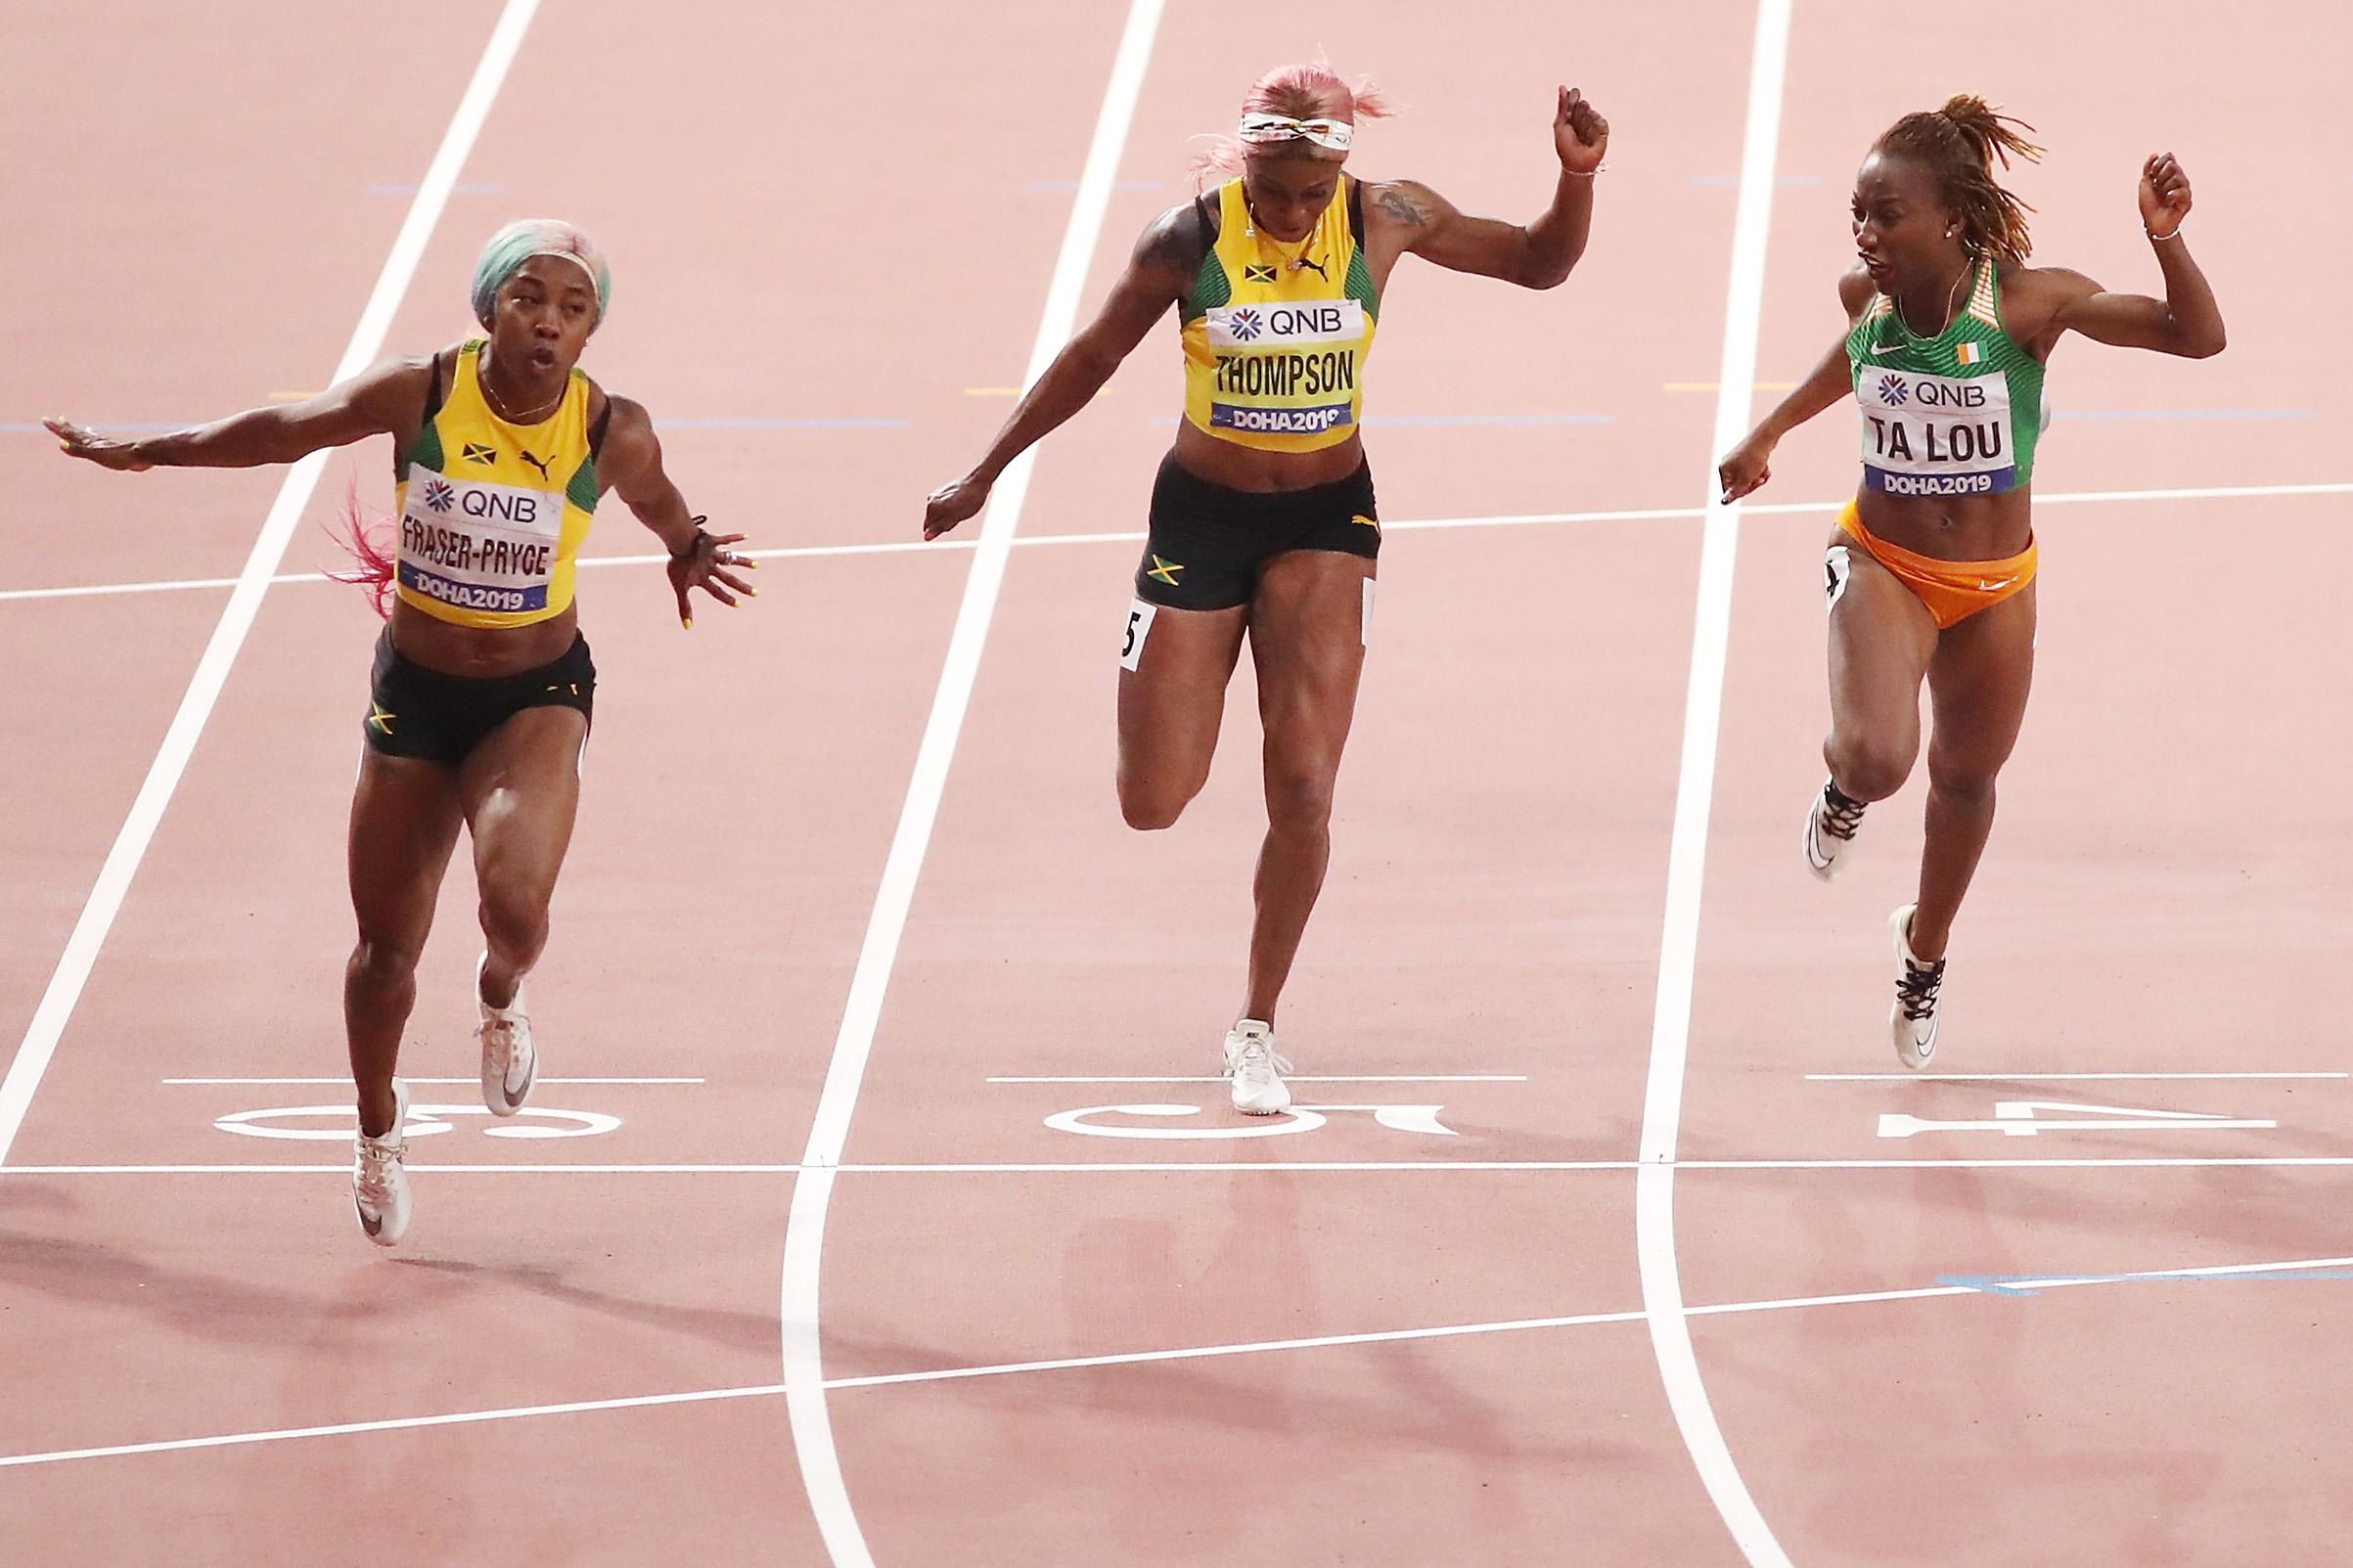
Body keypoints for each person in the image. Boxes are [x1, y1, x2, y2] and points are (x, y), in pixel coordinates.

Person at [47, 218, 756, 1242]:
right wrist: (150, 451)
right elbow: (284, 428)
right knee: (384, 951)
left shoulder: (610, 431)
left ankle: (501, 993)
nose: (548, 321)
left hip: (534, 696)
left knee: (513, 911)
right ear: (487, 307)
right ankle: (379, 1128)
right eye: (527, 297)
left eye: (572, 307)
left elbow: (657, 501)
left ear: (592, 331)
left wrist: (686, 547)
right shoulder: (418, 392)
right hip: (415, 700)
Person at [924, 65, 1609, 1113]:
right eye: (1272, 189)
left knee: (1302, 784)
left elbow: (1537, 265)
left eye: (1306, 191)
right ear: (1245, 164)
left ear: (1342, 165)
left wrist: (1576, 178)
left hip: (1325, 523)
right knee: (1151, 802)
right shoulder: (1185, 242)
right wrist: (984, 470)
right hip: (1198, 521)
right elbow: (1091, 356)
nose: (1289, 213)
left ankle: (1256, 1024)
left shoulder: (1388, 218)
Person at [1717, 99, 2223, 1067]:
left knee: (1965, 779)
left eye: (1884, 215)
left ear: (1948, 216)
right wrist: (1769, 429)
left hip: (1994, 583)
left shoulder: (2028, 306)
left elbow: (2194, 337)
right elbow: (1857, 351)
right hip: (1886, 561)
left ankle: (1922, 951)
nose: (1864, 234)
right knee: (1876, 760)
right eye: (1855, 215)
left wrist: (2166, 240)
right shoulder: (1859, 294)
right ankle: (1842, 789)